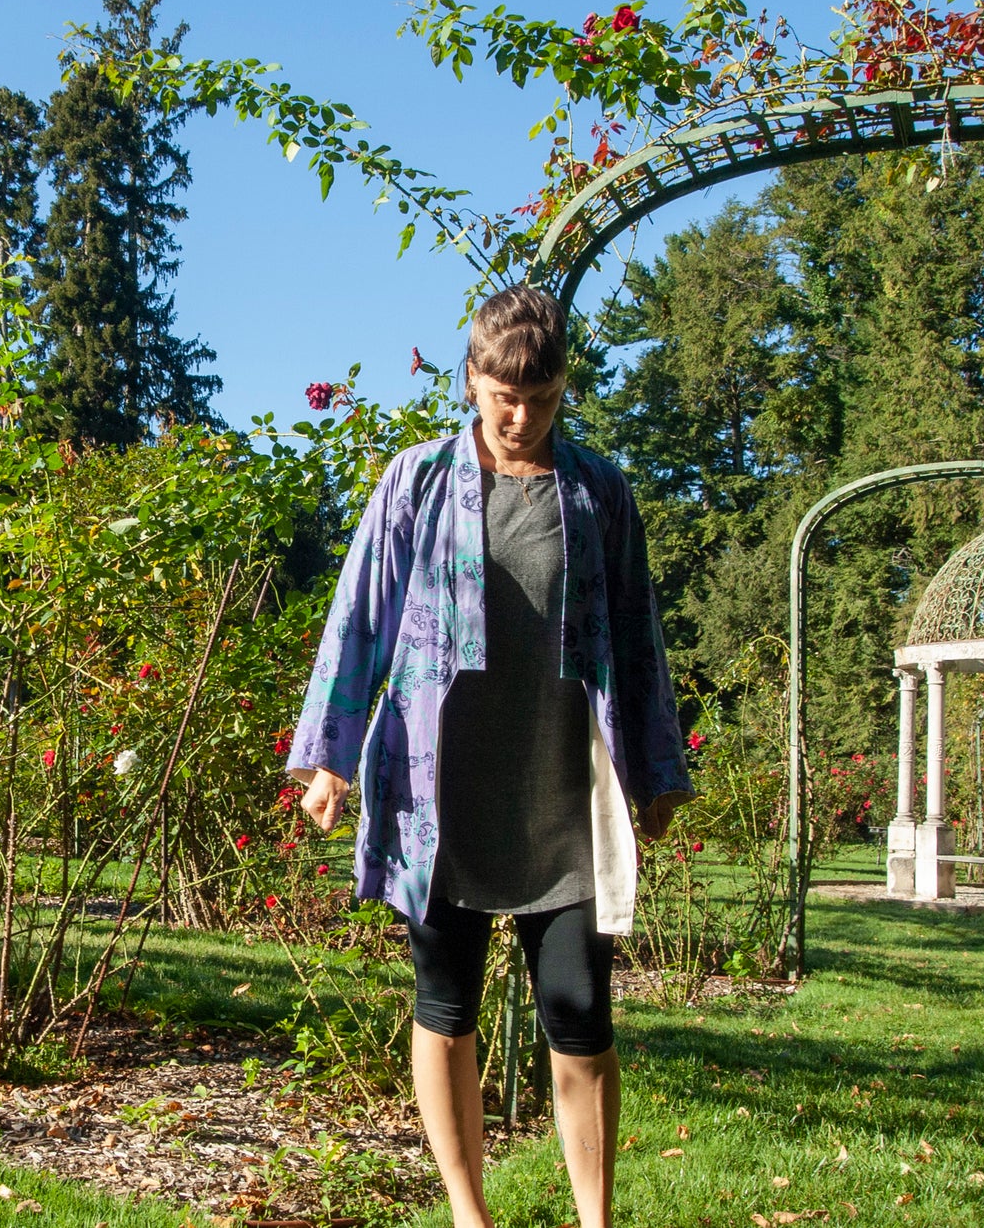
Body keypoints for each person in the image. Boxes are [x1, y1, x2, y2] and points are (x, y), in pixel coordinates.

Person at [288, 284, 692, 1228]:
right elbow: (360, 617)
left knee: (580, 1014)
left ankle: (595, 1217)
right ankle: (471, 1217)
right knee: (446, 1004)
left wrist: (656, 768)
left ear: (562, 388)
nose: (521, 416)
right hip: (442, 797)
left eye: (542, 397)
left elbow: (637, 631)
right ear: (471, 380)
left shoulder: (596, 491)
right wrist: (331, 760)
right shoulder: (415, 482)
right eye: (504, 394)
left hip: (561, 798)